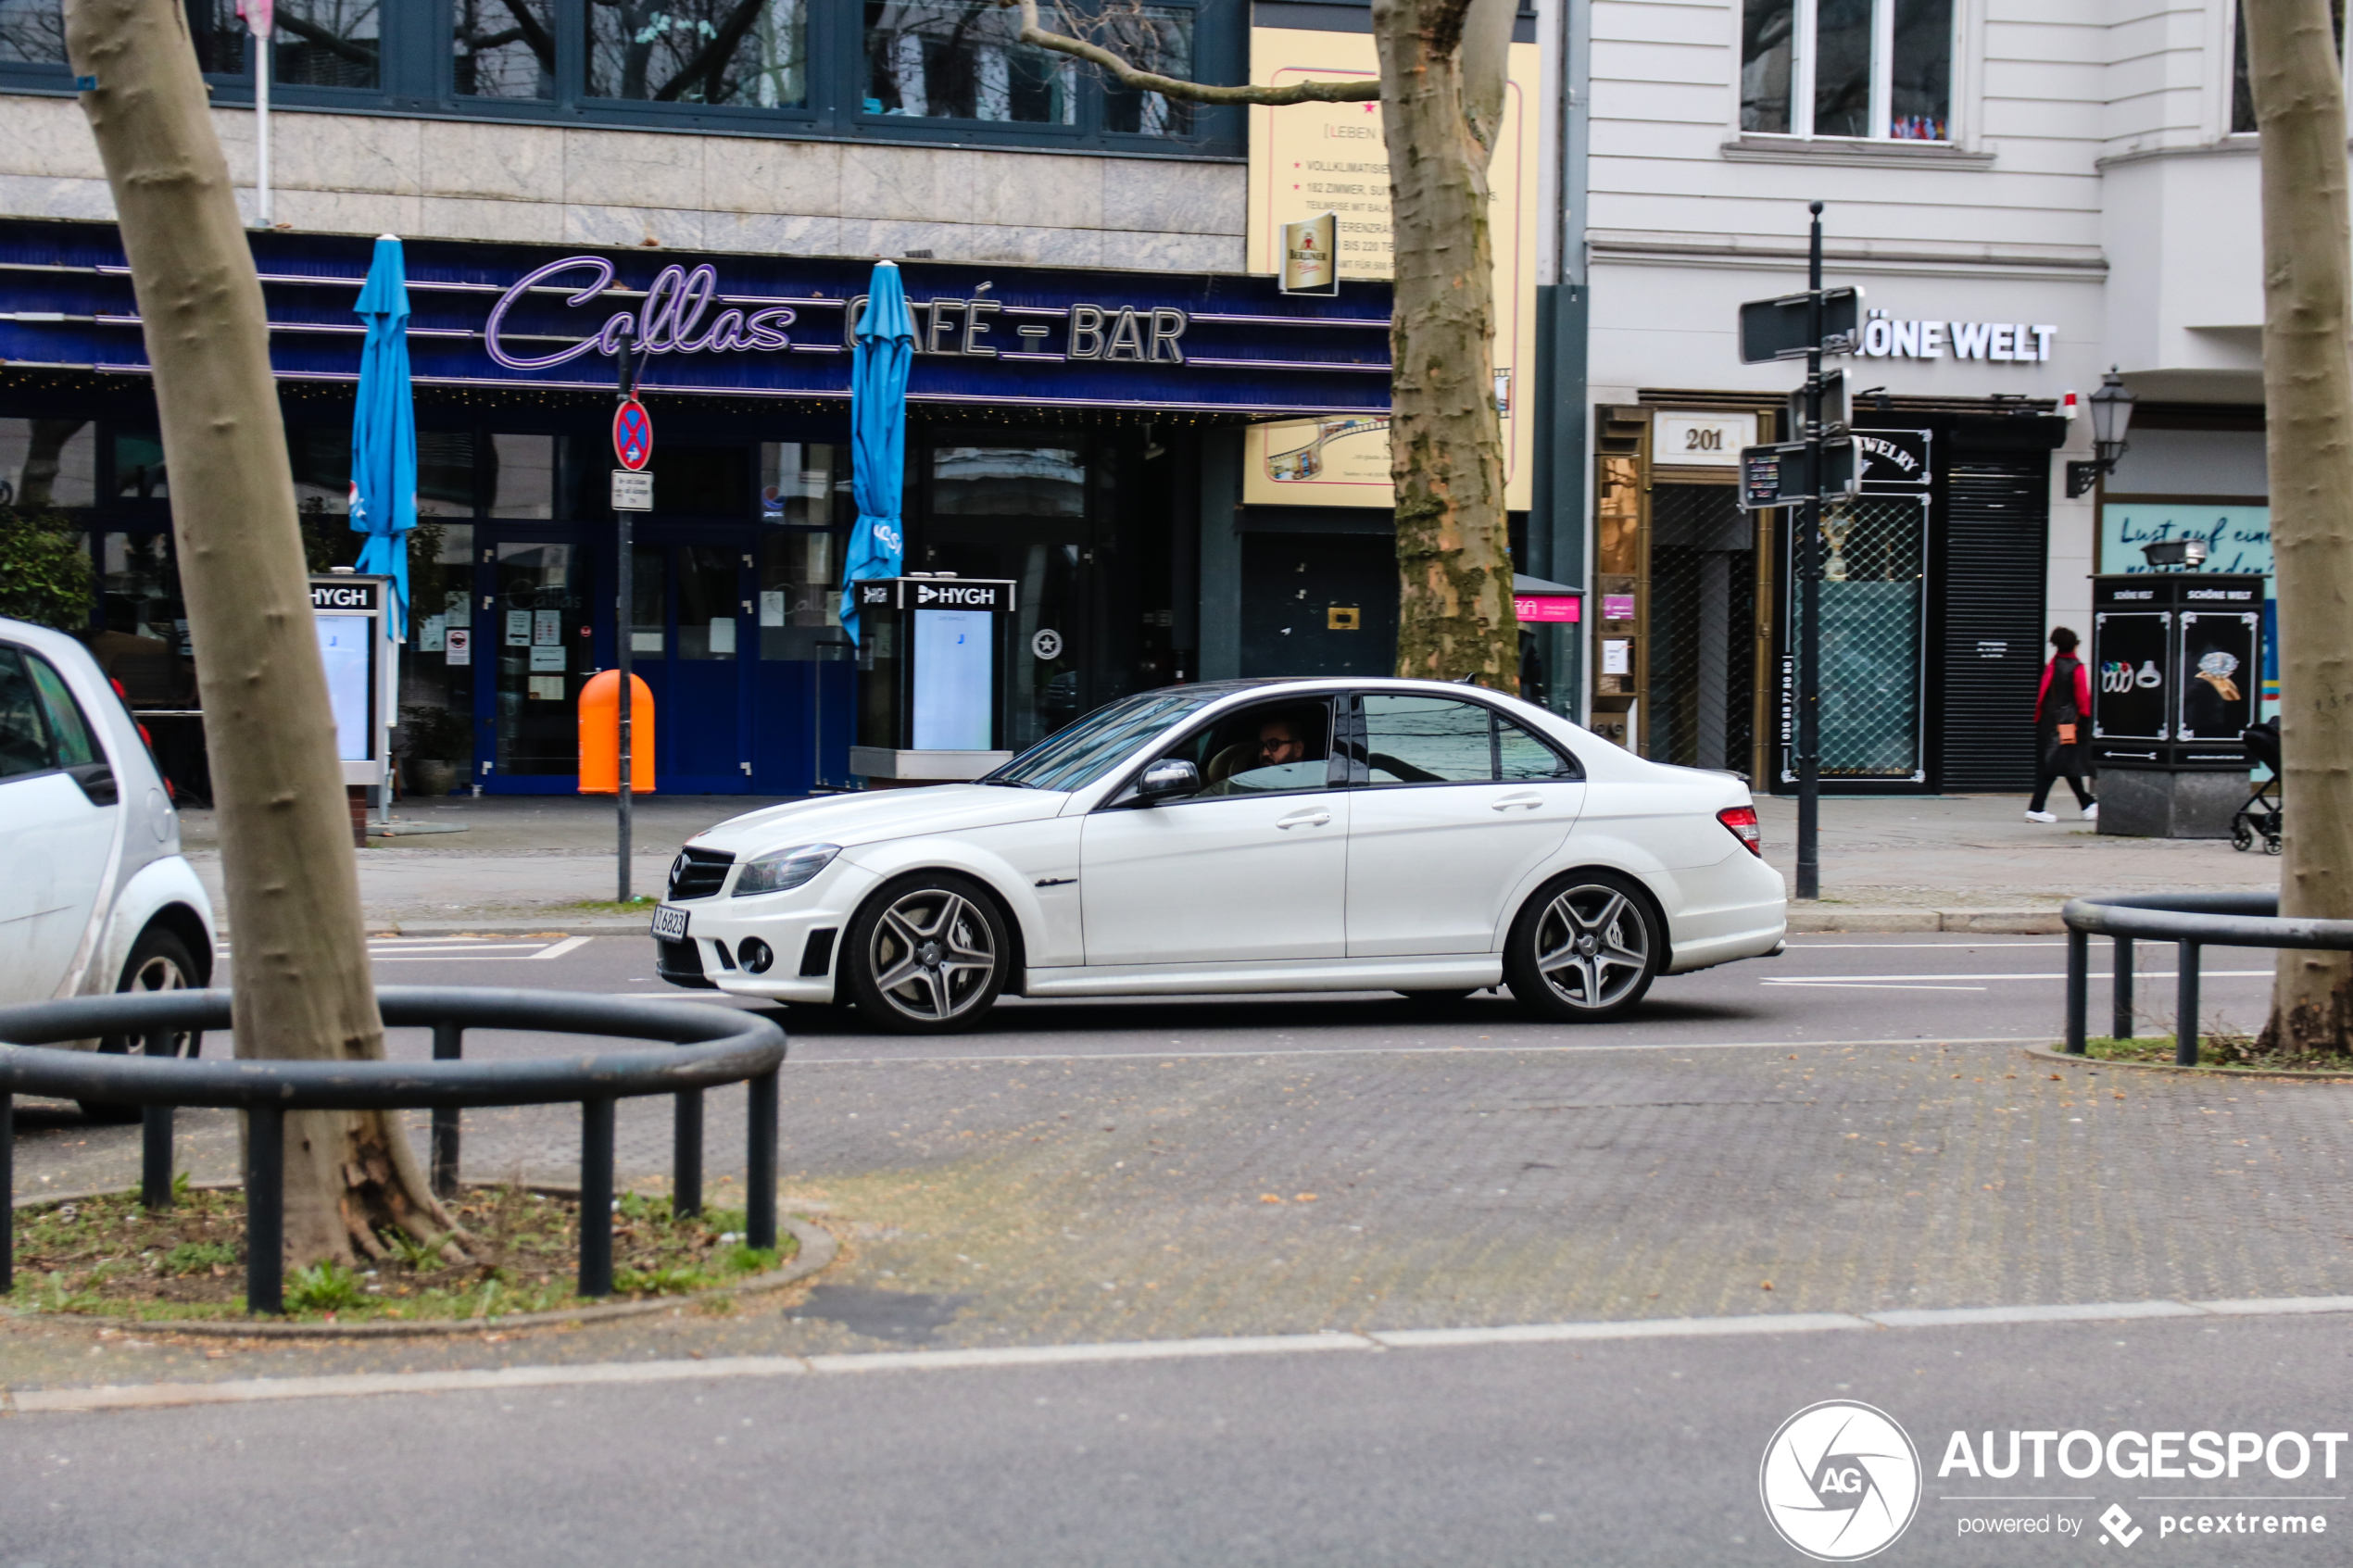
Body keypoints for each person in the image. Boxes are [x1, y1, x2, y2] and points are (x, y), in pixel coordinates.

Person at [2027, 626, 2095, 823]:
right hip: (2068, 724)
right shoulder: (2076, 667)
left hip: (2049, 722)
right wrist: (2086, 718)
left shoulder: (2052, 665)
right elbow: (2083, 699)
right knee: (2055, 766)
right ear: (2074, 645)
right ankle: (2036, 808)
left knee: (2065, 763)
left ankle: (2087, 804)